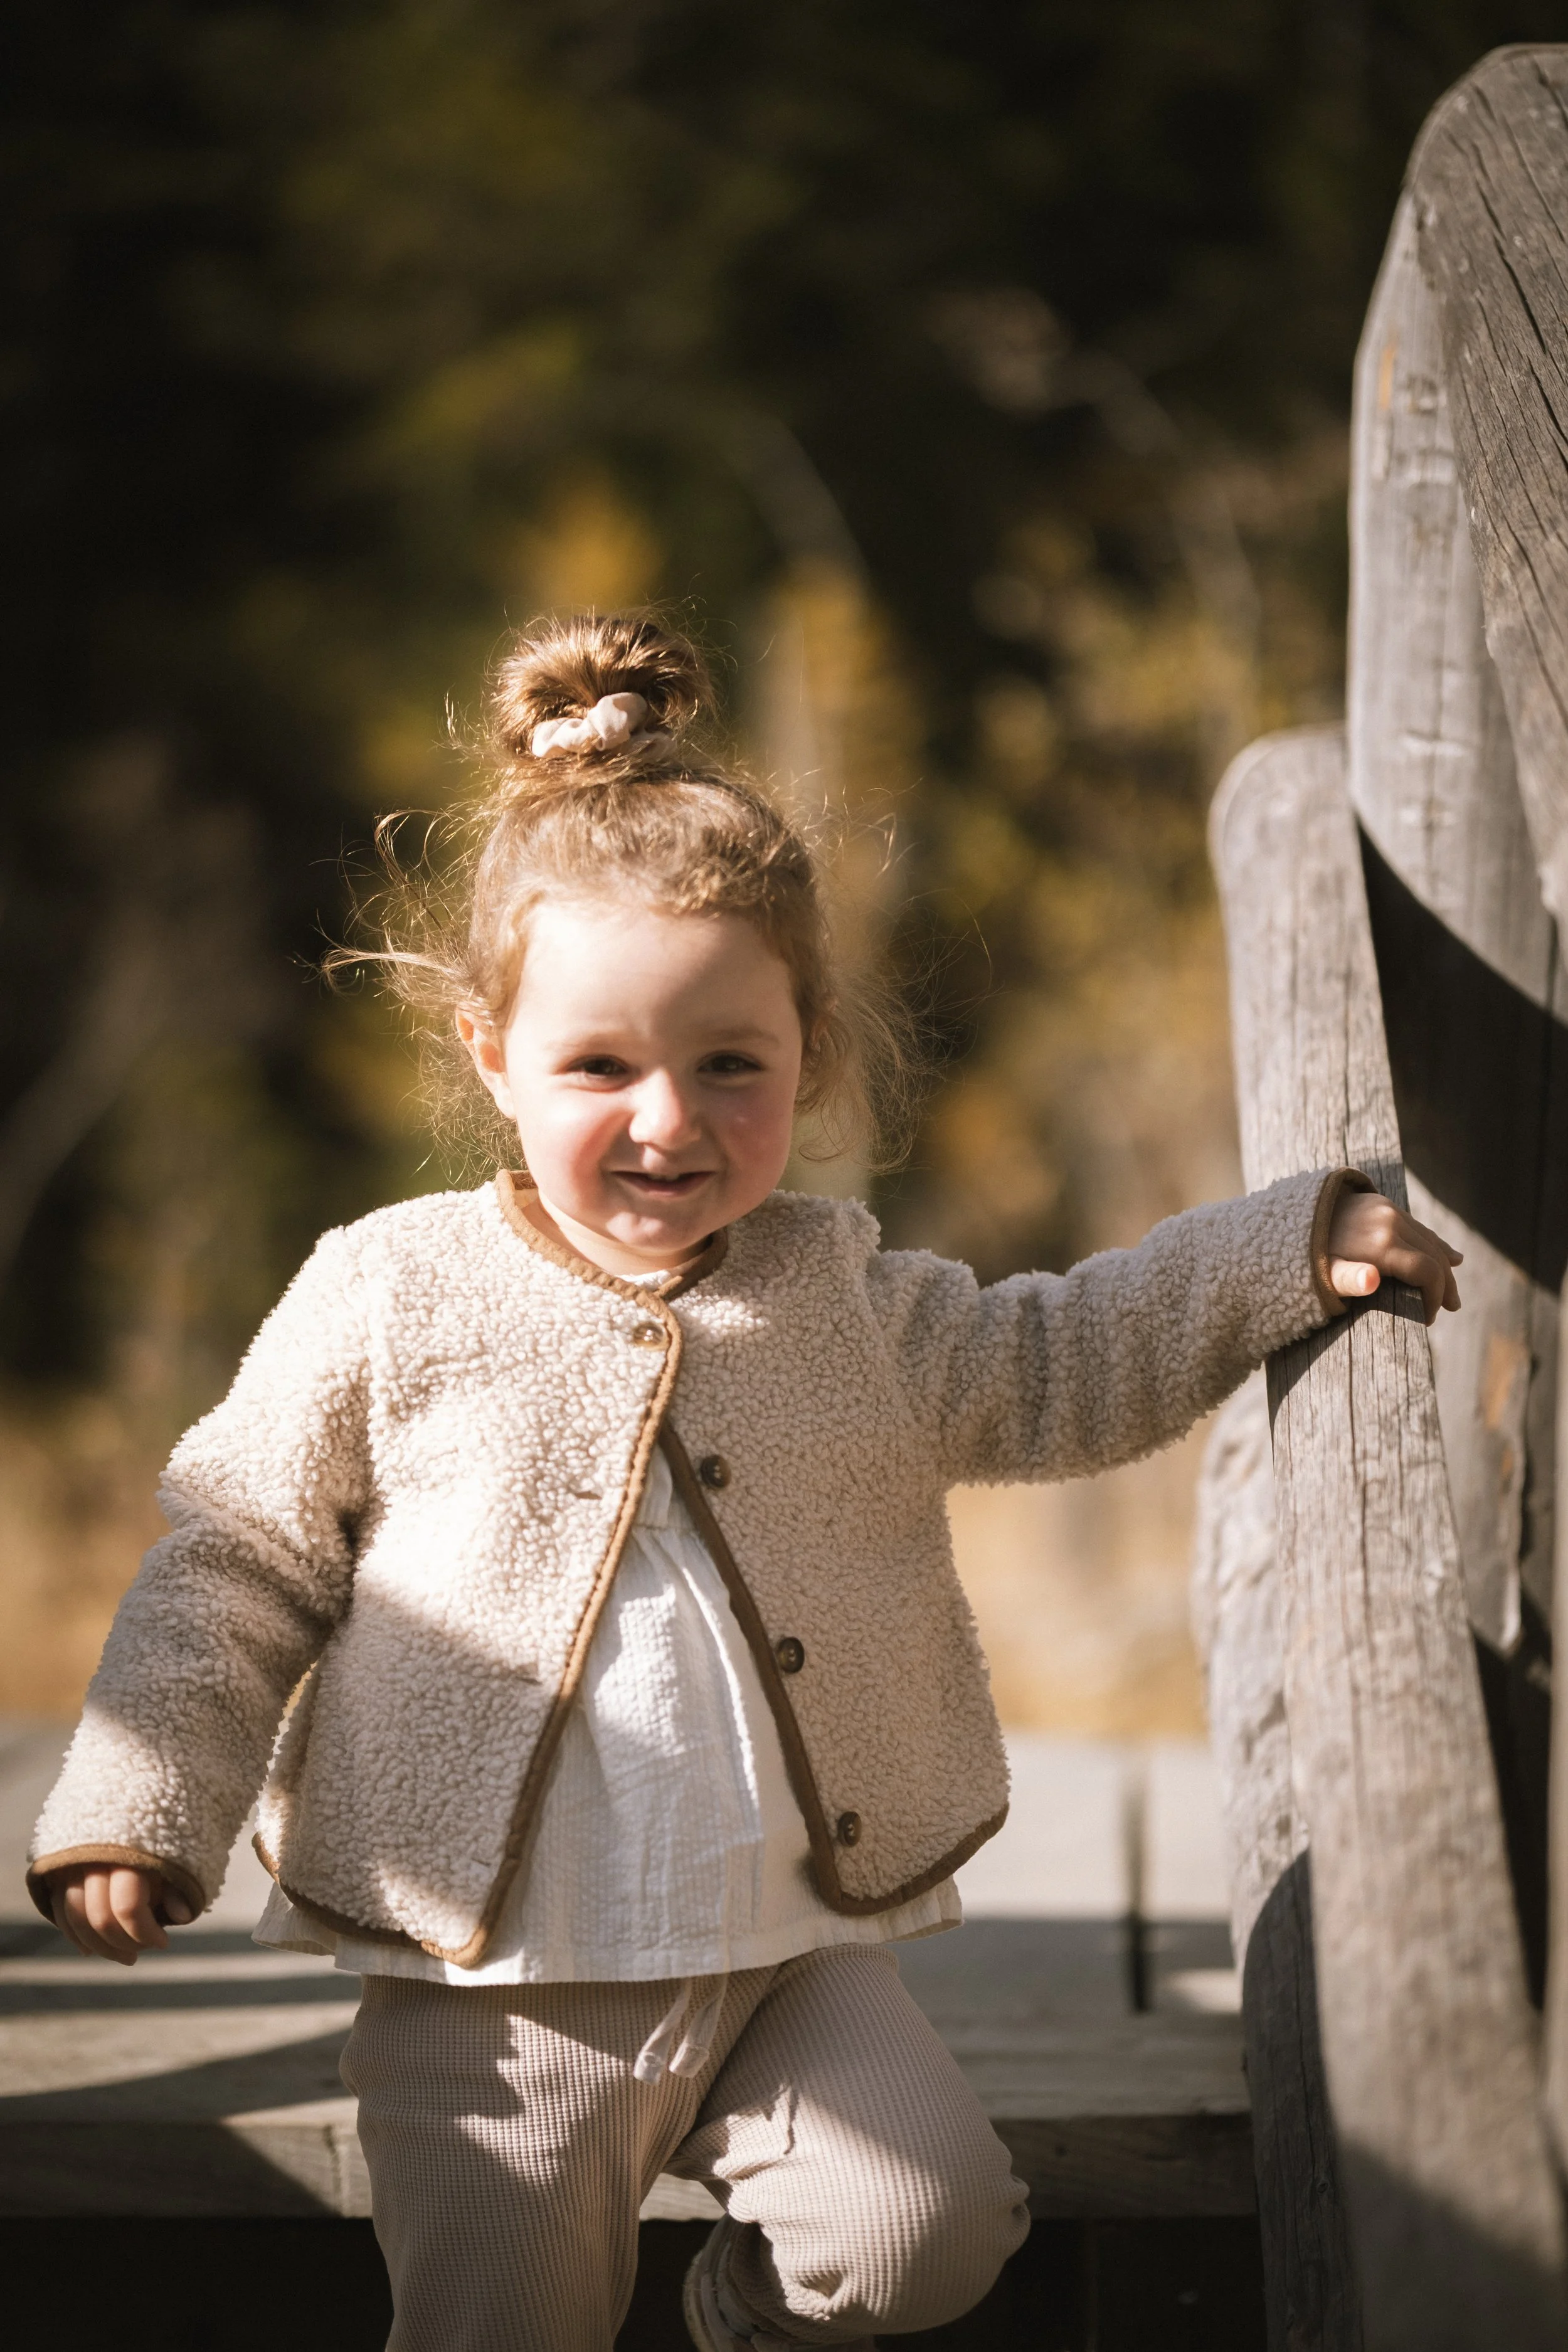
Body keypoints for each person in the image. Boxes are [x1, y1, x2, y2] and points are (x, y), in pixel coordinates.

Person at [28, 615, 1459, 2352]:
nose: (667, 1119)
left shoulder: (830, 1292)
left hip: (788, 1961)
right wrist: (138, 1797)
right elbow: (238, 1555)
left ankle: (733, 2319)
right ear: (490, 1053)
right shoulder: (388, 1287)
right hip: (495, 1990)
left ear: (808, 1053)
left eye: (730, 1063)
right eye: (597, 1065)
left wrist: (1278, 1250)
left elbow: (1057, 1357)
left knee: (921, 2226)